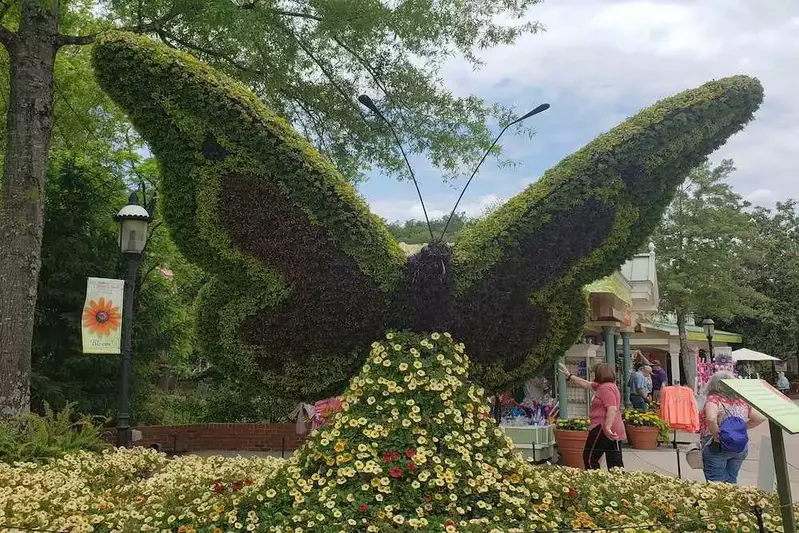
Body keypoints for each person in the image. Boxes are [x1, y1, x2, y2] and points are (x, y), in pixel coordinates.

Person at [700, 371, 766, 483]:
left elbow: (711, 418)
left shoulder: (714, 399)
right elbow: (760, 418)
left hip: (718, 446)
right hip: (739, 445)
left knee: (716, 484)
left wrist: (717, 436)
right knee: (731, 480)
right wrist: (739, 429)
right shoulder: (742, 401)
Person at [559, 362, 625, 470]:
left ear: (599, 374)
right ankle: (617, 483)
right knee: (614, 462)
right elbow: (586, 384)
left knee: (589, 457)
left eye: (595, 373)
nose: (593, 375)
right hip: (614, 428)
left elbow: (612, 408)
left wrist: (607, 427)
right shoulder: (607, 386)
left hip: (602, 428)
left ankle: (594, 479)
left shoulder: (605, 389)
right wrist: (569, 376)